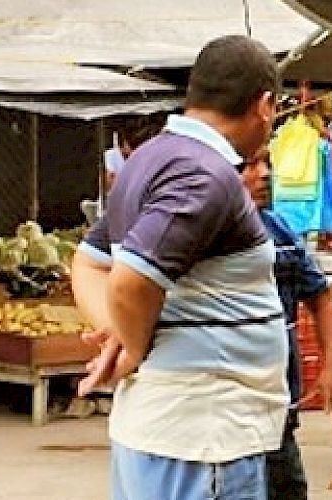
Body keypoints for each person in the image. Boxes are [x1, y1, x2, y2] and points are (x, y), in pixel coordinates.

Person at [71, 35, 287, 500]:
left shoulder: (150, 159)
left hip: (169, 436)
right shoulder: (203, 175)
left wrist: (114, 334)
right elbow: (129, 283)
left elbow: (89, 264)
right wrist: (131, 343)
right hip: (203, 439)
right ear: (264, 105)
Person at [239, 147, 332, 500]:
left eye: (266, 162)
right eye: (248, 166)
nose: (265, 173)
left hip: (281, 403)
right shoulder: (198, 238)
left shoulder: (280, 231)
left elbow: (323, 298)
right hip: (228, 412)